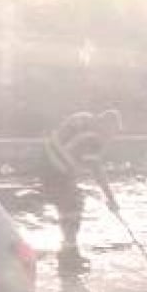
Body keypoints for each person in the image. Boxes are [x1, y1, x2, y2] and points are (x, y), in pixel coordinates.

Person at [40, 110, 123, 274]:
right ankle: (68, 256)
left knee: (69, 205)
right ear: (105, 125)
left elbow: (67, 143)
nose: (111, 137)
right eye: (112, 131)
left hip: (45, 163)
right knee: (74, 205)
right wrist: (111, 199)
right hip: (56, 171)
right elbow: (97, 170)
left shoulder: (84, 117)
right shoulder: (93, 139)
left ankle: (67, 249)